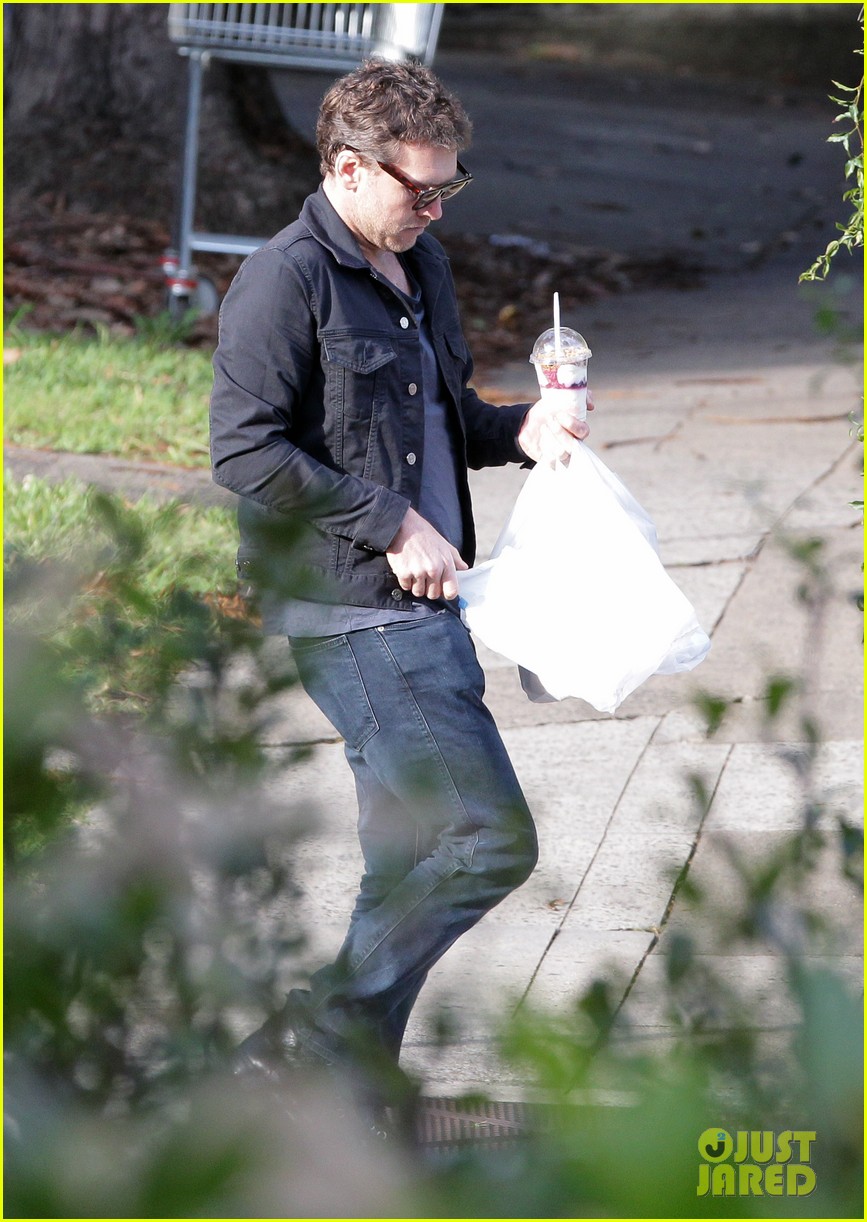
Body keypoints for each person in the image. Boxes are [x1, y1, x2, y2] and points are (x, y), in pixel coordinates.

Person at [209, 58, 590, 1127]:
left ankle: (348, 1096)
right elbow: (244, 452)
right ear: (344, 167)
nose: (434, 206)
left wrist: (523, 428)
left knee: (408, 859)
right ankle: (310, 1040)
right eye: (418, 188)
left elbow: (442, 415)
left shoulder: (421, 264)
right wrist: (391, 521)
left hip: (429, 604)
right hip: (351, 610)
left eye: (447, 188)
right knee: (485, 839)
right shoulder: (283, 280)